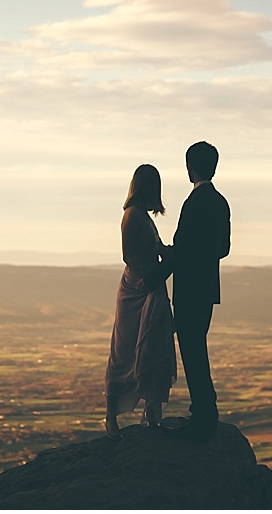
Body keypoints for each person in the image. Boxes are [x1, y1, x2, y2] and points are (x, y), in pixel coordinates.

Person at [141, 141, 231, 442]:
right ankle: (204, 414)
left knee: (193, 353)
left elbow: (182, 251)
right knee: (196, 350)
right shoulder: (221, 202)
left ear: (190, 167)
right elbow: (223, 249)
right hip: (207, 289)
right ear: (214, 167)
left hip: (190, 290)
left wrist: (153, 278)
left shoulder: (194, 203)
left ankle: (204, 417)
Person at [103, 164, 178, 440]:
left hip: (151, 285)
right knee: (124, 352)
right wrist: (149, 278)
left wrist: (168, 254)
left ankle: (153, 412)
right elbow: (129, 257)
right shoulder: (132, 216)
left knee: (154, 347)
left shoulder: (144, 217)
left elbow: (154, 248)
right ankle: (111, 416)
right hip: (137, 289)